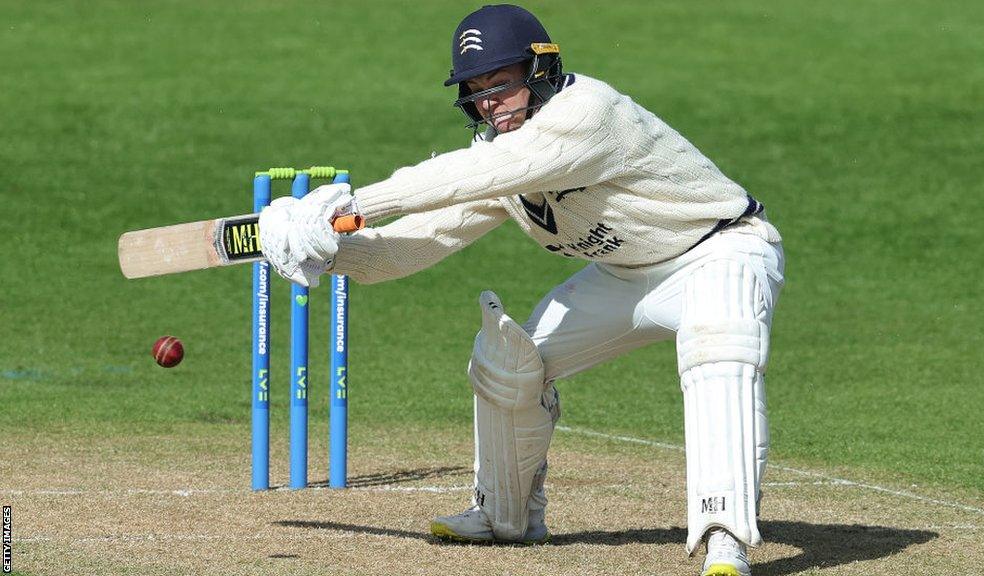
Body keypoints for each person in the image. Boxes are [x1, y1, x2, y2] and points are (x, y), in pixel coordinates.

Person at [258, 5, 784, 576]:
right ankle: (506, 518)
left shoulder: (590, 114)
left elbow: (468, 174)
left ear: (541, 70)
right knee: (508, 361)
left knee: (718, 348)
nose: (489, 101)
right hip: (625, 275)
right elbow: (420, 240)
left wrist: (349, 205)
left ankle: (725, 536)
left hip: (719, 250)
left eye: (502, 82)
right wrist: (332, 252)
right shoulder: (501, 159)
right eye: (477, 90)